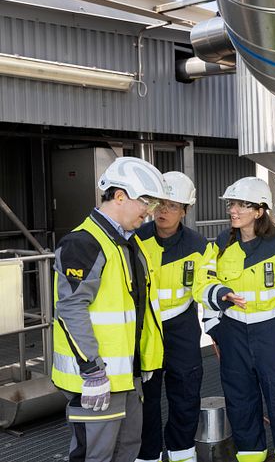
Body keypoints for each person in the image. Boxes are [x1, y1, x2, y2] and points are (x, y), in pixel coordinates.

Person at [52, 156, 168, 462]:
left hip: (126, 379)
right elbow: (70, 309)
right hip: (96, 379)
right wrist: (92, 371)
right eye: (147, 202)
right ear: (120, 197)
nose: (150, 211)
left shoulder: (126, 243)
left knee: (125, 451)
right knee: (95, 456)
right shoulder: (84, 243)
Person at [195, 177, 275, 462]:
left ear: (259, 210)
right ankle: (251, 457)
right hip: (234, 334)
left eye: (241, 204)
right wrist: (221, 297)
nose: (233, 210)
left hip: (271, 334)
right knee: (240, 401)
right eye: (232, 204)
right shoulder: (220, 243)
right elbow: (201, 283)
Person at [135, 172, 209, 462]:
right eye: (159, 204)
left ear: (185, 210)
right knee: (145, 399)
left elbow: (205, 286)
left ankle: (182, 453)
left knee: (185, 395)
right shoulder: (135, 241)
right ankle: (148, 455)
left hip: (182, 329)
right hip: (144, 330)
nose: (163, 211)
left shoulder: (199, 246)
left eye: (172, 206)